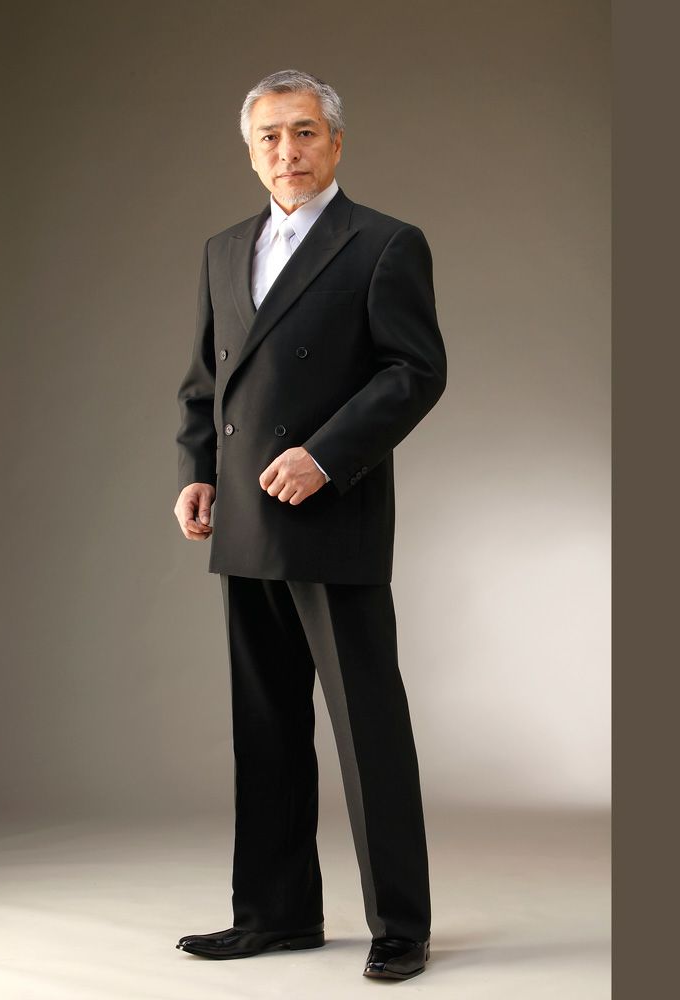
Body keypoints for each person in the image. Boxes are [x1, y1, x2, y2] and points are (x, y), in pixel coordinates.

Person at [172, 68, 446, 982]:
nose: (285, 152)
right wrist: (197, 474)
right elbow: (205, 385)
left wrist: (324, 455)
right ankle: (276, 915)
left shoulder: (385, 243)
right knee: (266, 725)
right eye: (269, 137)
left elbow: (415, 371)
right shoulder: (223, 249)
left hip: (334, 513)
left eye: (302, 133)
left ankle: (400, 924)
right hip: (244, 518)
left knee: (368, 729)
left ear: (335, 142)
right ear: (249, 152)